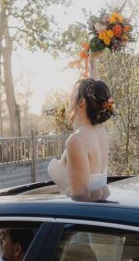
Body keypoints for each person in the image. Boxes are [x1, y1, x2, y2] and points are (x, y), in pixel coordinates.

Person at [47, 52, 115, 198]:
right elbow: (97, 89)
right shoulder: (99, 132)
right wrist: (92, 61)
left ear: (82, 102)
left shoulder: (77, 141)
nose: (69, 97)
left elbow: (81, 198)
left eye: (73, 93)